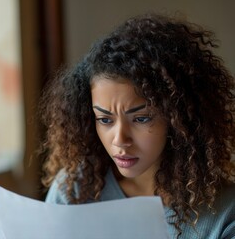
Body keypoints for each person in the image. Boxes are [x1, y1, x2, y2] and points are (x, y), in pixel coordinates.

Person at [39, 13, 235, 238]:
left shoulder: (226, 214)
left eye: (141, 118)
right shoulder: (74, 191)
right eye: (105, 120)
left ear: (178, 119)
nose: (120, 139)